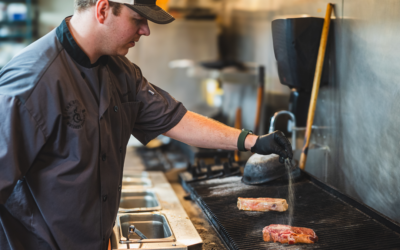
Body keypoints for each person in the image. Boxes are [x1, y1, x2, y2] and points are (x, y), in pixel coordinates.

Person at [0, 0, 293, 249]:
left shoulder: (119, 70)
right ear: (103, 10)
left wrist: (253, 141)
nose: (146, 30)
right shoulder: (32, 82)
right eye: (137, 19)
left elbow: (175, 119)